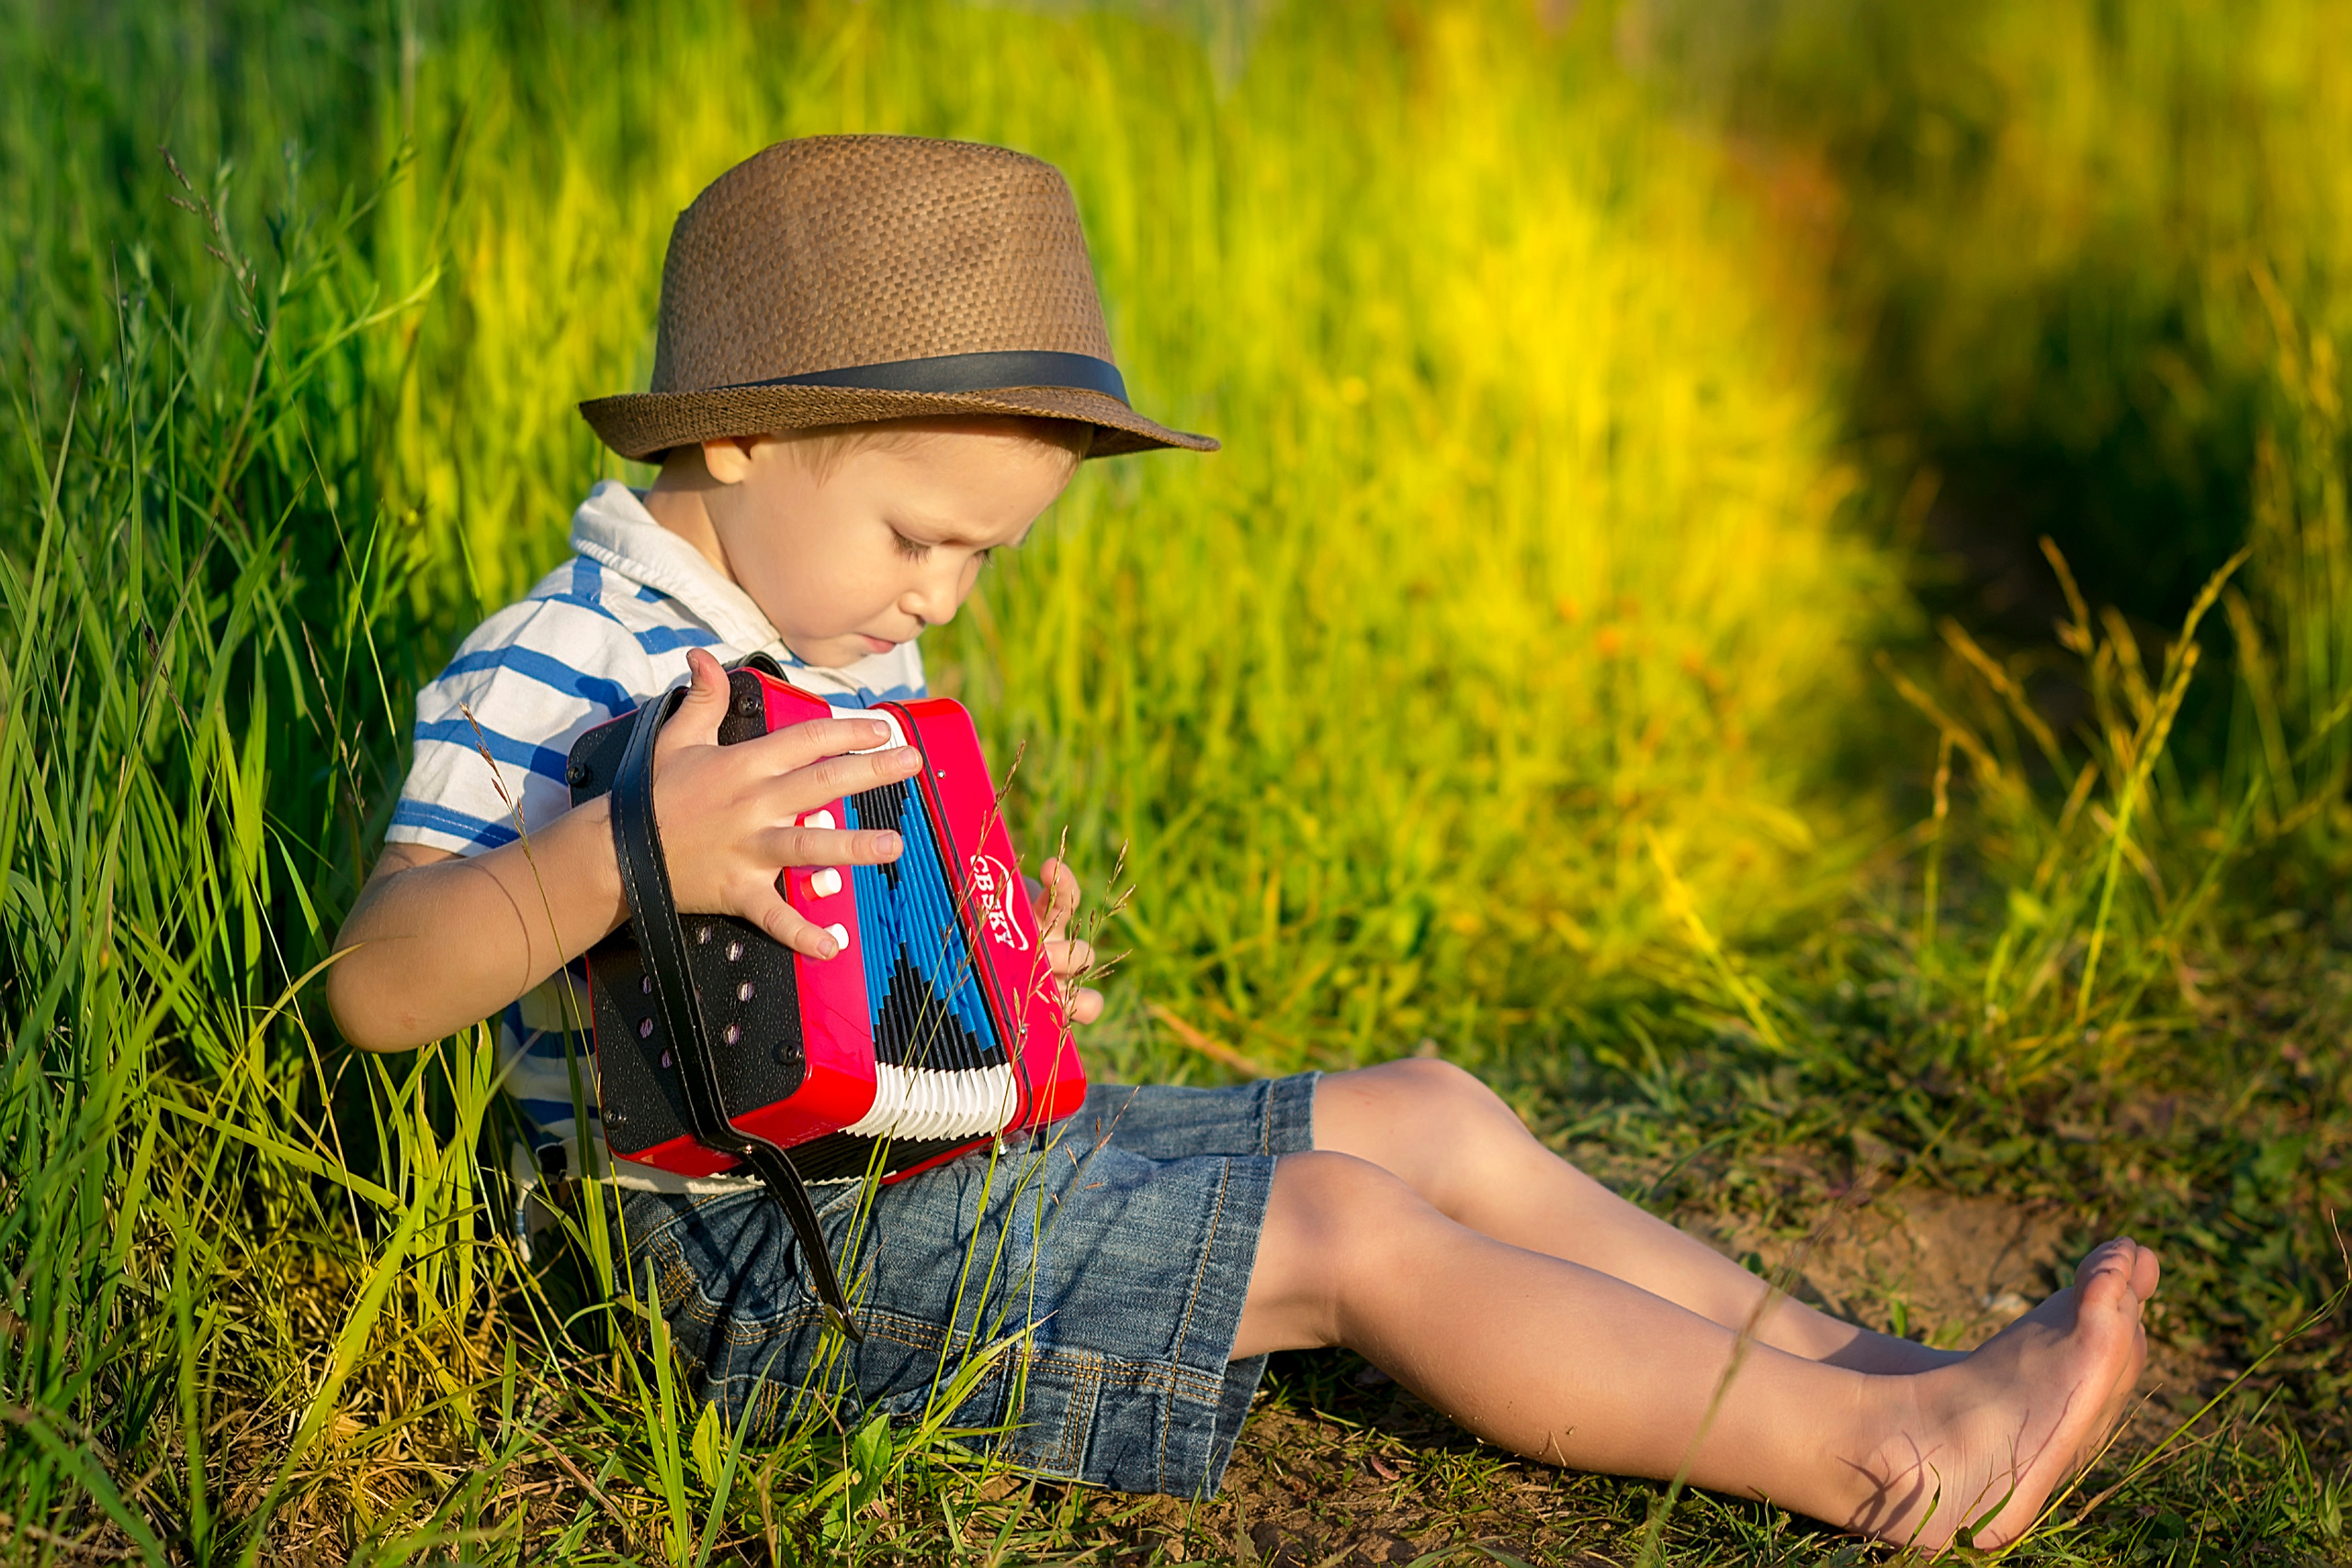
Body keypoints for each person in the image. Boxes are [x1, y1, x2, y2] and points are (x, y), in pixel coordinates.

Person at [326, 134, 2158, 1551]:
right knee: (1347, 1223)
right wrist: (613, 851)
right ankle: (1889, 1463)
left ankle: (1874, 1363)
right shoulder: (565, 670)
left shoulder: (835, 643)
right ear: (729, 441)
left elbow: (853, 956)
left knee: (1431, 1105)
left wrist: (982, 961)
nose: (942, 602)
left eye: (984, 556)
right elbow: (383, 988)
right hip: (751, 1265)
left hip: (927, 1165)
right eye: (919, 535)